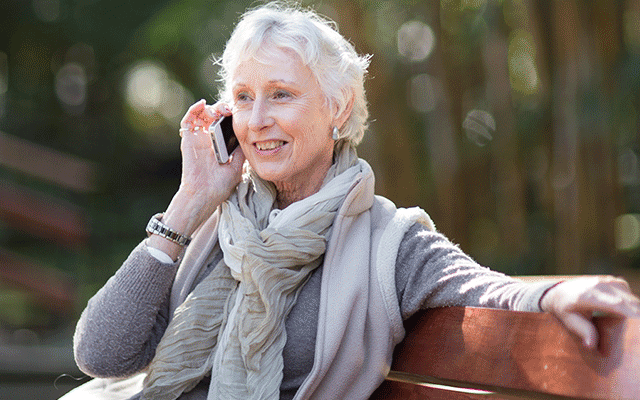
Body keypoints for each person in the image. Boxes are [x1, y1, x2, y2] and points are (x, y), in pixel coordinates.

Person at [63, 2, 640, 400]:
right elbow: (102, 354)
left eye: (282, 95)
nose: (258, 120)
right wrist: (189, 203)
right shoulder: (214, 227)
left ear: (338, 109)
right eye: (243, 97)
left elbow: (485, 289)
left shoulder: (390, 239)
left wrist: (558, 291)